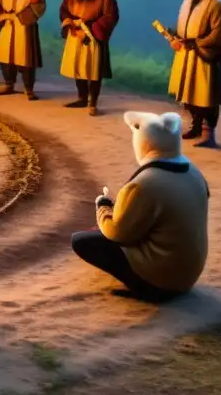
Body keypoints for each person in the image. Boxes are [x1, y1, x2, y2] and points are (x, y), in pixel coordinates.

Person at [71, 111, 209, 302]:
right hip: (189, 273)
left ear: (144, 143)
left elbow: (117, 233)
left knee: (82, 241)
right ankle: (159, 280)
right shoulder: (193, 171)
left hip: (164, 279)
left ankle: (146, 288)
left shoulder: (144, 184)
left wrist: (102, 207)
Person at [163, 0, 221, 148]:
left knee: (205, 97)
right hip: (186, 57)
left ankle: (208, 133)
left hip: (203, 59)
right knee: (188, 95)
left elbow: (220, 35)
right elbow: (184, 24)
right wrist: (175, 36)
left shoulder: (217, 6)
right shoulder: (189, 1)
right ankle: (195, 125)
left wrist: (195, 43)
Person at [59, 0, 120, 116]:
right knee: (78, 67)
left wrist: (88, 28)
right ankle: (81, 98)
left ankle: (92, 102)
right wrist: (69, 22)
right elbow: (64, 8)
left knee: (93, 71)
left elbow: (111, 17)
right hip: (75, 33)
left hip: (92, 36)